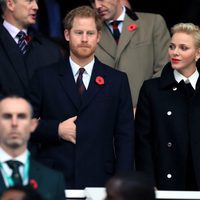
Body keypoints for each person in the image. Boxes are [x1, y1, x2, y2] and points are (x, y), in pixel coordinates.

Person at [28, 6, 135, 189]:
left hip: (101, 180)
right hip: (54, 178)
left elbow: (125, 136)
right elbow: (25, 124)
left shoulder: (117, 80)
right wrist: (57, 129)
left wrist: (122, 182)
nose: (85, 39)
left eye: (90, 33)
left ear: (98, 36)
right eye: (79, 33)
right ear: (67, 35)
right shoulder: (44, 77)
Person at [135, 23, 200, 190]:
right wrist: (149, 182)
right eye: (172, 47)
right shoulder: (152, 90)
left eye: (183, 48)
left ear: (198, 53)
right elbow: (143, 142)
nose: (175, 52)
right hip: (165, 181)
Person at [89, 0, 170, 107]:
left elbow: (165, 68)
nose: (97, 5)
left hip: (147, 111)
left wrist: (145, 105)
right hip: (105, 115)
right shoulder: (89, 32)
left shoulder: (152, 23)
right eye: (93, 1)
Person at [0, 96, 66, 200]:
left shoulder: (54, 180)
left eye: (21, 116)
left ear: (33, 124)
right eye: (7, 116)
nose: (14, 123)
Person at [0, 0, 63, 97]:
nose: (36, 7)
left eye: (36, 1)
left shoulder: (51, 51)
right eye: (29, 1)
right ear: (10, 4)